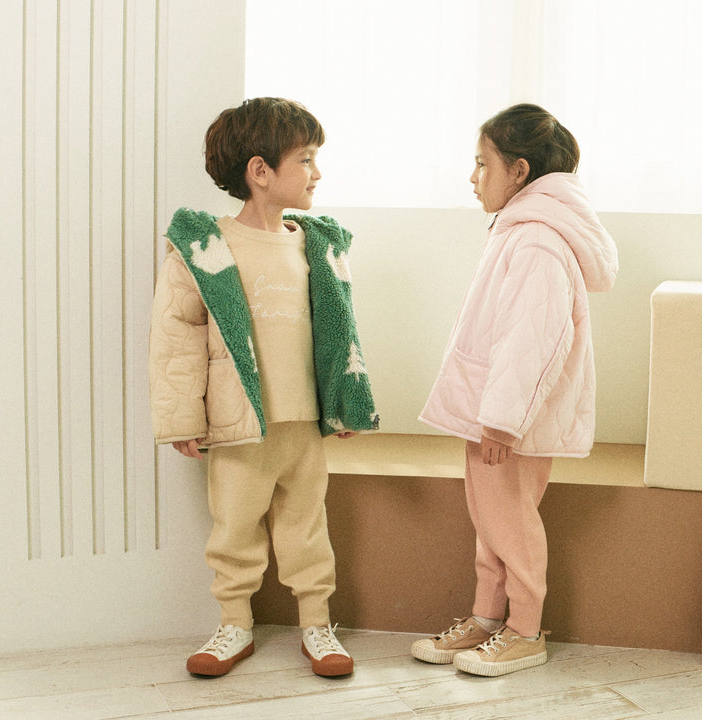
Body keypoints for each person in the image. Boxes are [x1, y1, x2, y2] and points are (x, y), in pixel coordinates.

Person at [149, 97, 378, 678]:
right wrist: (182, 419)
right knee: (234, 530)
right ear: (260, 171)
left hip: (302, 424)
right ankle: (234, 624)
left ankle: (316, 624)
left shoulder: (315, 245)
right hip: (240, 425)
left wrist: (346, 402)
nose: (317, 172)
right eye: (306, 159)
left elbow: (340, 331)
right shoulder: (205, 249)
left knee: (307, 527)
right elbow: (176, 337)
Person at [413, 103, 618, 677]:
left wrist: (502, 420)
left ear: (520, 170)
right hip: (495, 414)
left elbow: (533, 340)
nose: (473, 176)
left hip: (509, 420)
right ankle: (487, 617)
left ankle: (525, 629)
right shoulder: (521, 231)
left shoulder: (537, 242)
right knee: (492, 521)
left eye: (483, 164)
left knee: (511, 521)